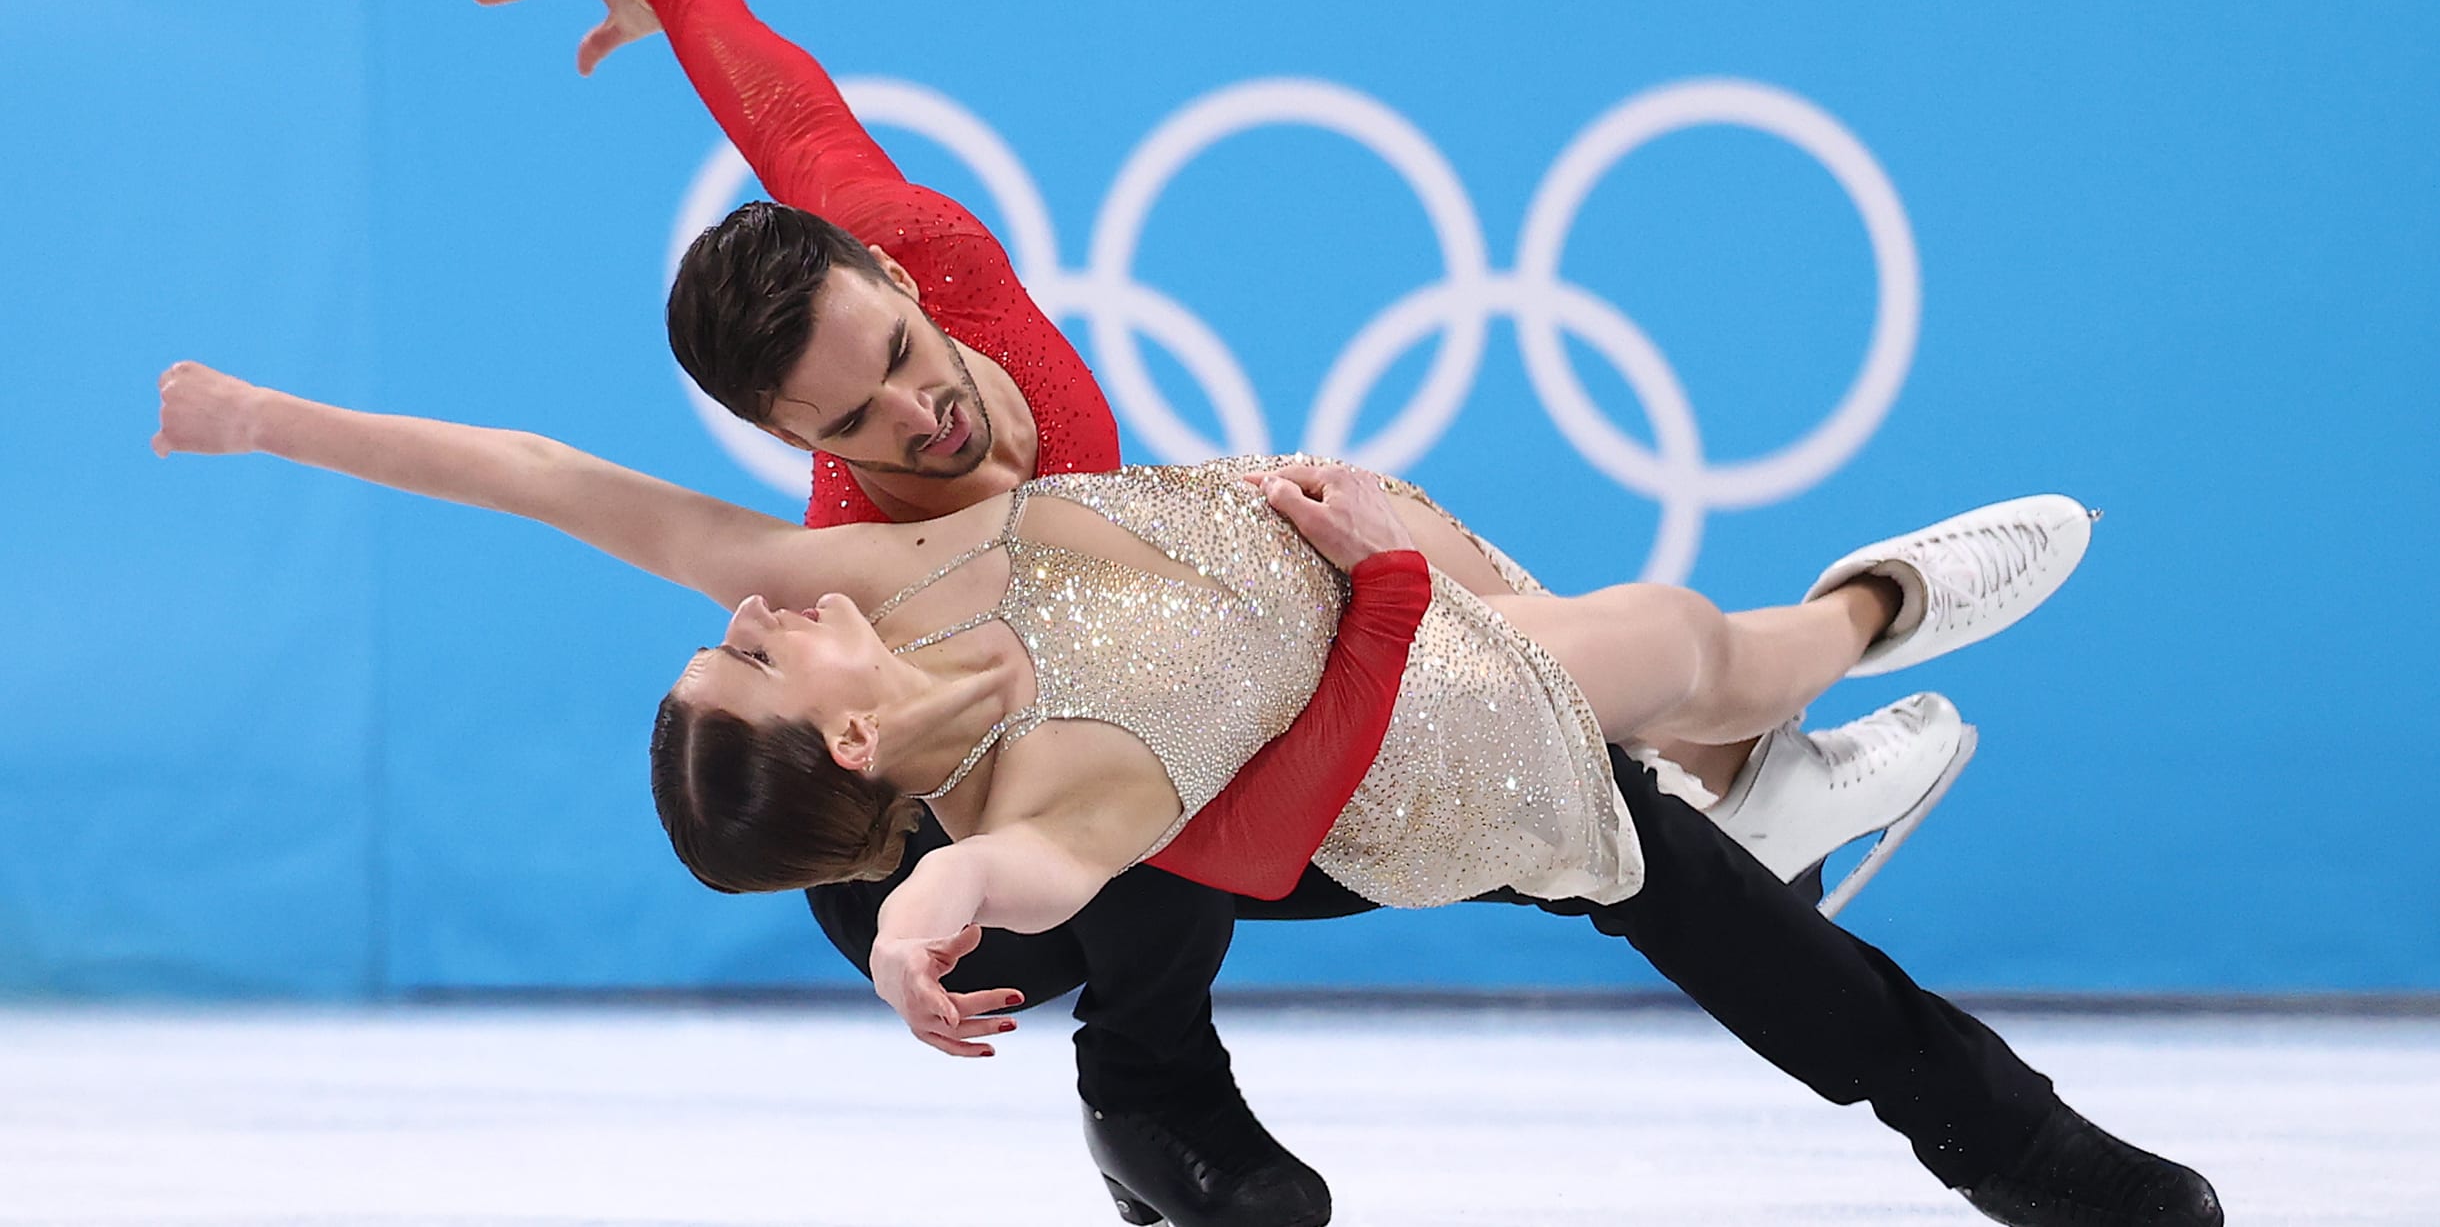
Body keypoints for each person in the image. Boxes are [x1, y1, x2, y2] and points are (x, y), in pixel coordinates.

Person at [468, 0, 2004, 1226]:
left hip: (1102, 763)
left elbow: (791, 126)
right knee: (1144, 775)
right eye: (847, 427)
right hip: (908, 855)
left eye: (894, 366)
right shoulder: (874, 574)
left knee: (1302, 590)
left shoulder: (921, 249)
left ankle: (1729, 759)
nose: (911, 422)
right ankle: (1153, 1091)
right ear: (788, 433)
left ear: (888, 282)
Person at [151, 361, 2217, 1227]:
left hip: (1361, 685)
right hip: (1382, 770)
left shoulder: (882, 562)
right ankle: (1162, 1096)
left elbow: (539, 474)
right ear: (850, 741)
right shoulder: (1046, 790)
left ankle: (1849, 636)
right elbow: (1044, 843)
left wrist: (264, 420)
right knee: (1693, 814)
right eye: (753, 649)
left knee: (1689, 668)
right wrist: (916, 910)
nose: (764, 600)